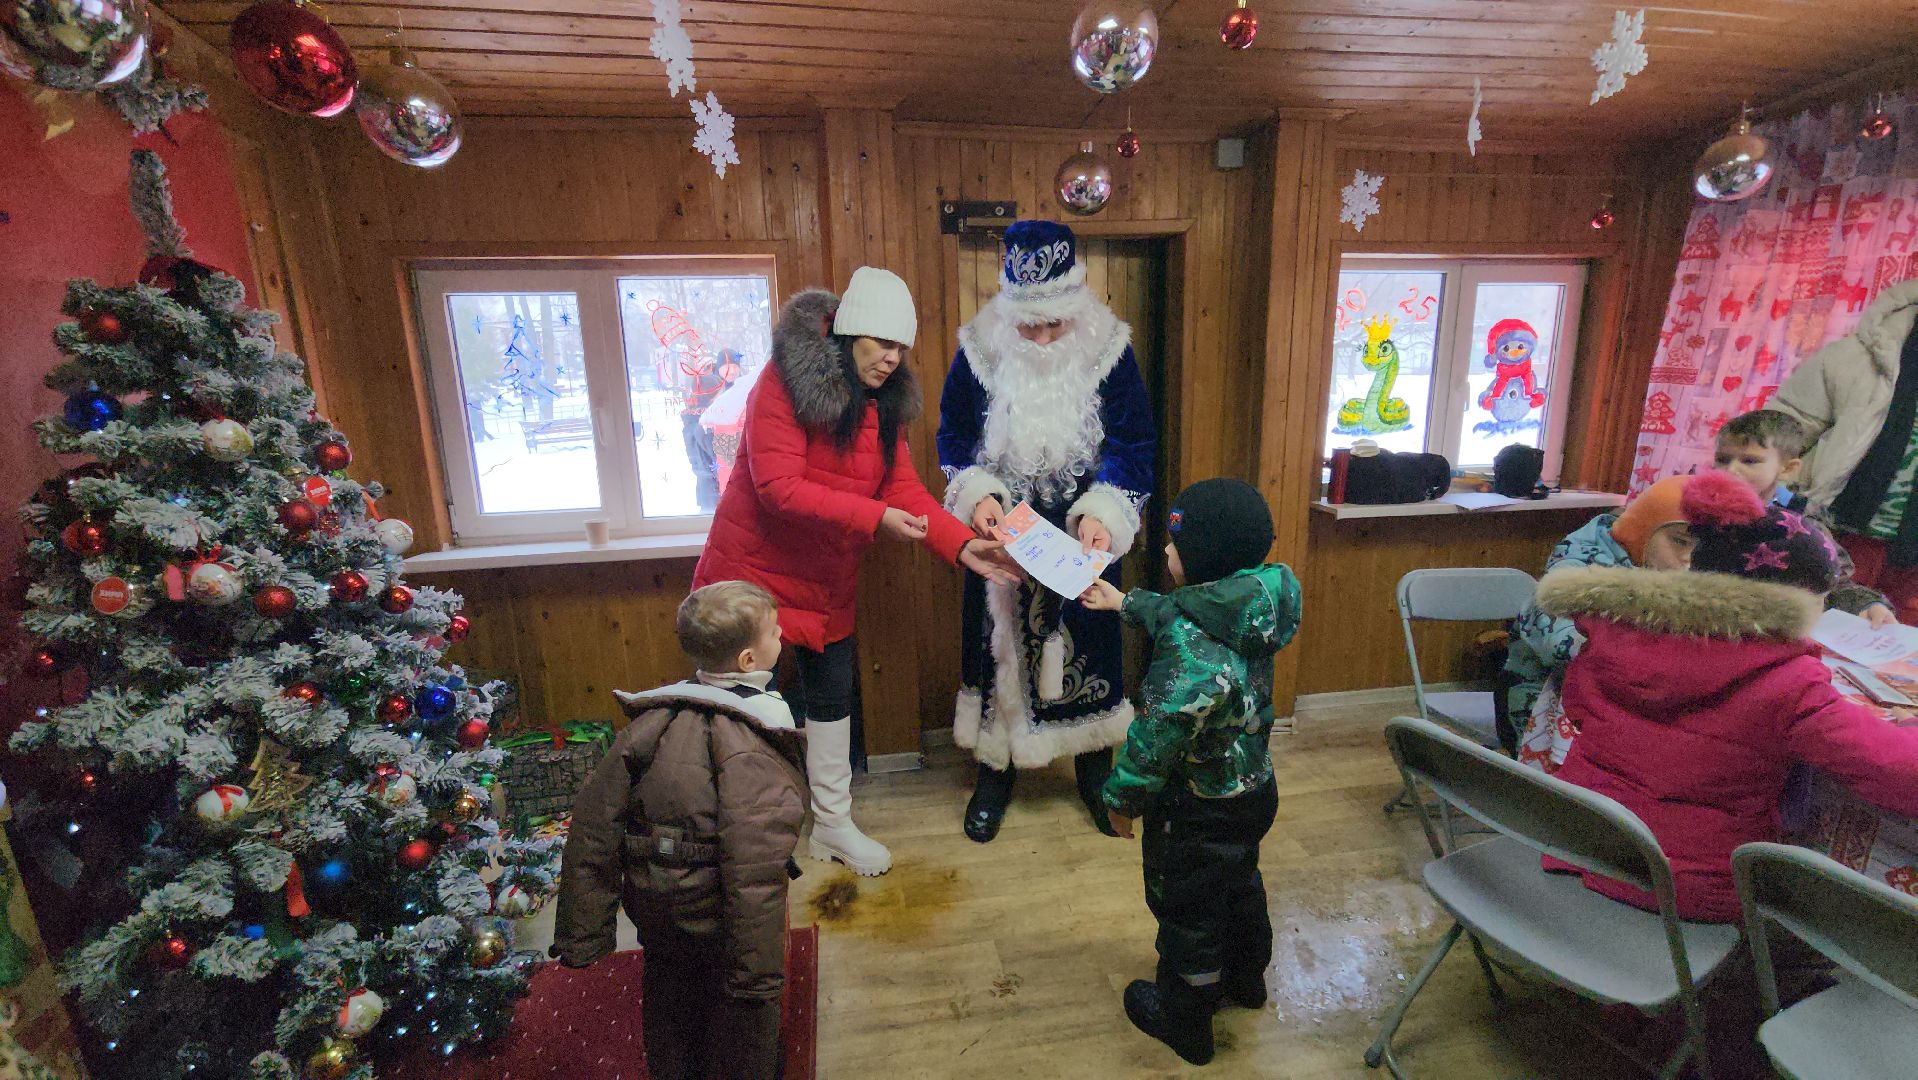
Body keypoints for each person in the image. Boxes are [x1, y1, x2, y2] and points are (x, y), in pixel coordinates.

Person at [695, 267, 1019, 877]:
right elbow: (777, 488)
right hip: (749, 575)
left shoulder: (883, 403)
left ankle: (833, 827)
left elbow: (904, 489)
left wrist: (961, 546)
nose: (892, 359)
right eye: (882, 343)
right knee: (731, 707)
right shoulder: (783, 384)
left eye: (901, 347)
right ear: (849, 334)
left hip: (824, 580)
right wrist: (876, 518)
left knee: (830, 699)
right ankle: (716, 831)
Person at [1532, 470, 1918, 922]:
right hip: (1694, 890)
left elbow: (1578, 708)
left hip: (1587, 848)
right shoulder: (1789, 680)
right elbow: (1898, 774)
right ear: (1797, 600)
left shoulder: (1610, 633)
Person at [937, 220, 1158, 843]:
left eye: (1053, 325)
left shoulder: (1110, 349)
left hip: (1082, 534)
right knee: (995, 654)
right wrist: (977, 496)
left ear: (1077, 310)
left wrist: (1104, 511)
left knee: (1091, 645)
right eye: (1027, 326)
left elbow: (1135, 442)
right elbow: (953, 438)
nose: (1038, 339)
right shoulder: (978, 350)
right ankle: (995, 776)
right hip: (1004, 539)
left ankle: (1094, 773)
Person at [1081, 479, 1301, 1066]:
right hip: (1253, 788)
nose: (1167, 555)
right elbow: (1184, 608)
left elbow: (1157, 737)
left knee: (1187, 908)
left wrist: (1122, 798)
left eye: (1176, 547)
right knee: (1238, 881)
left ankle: (1186, 1023)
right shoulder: (1255, 599)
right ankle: (1245, 981)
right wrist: (1123, 601)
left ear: (1202, 559)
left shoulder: (1191, 645)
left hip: (1197, 803)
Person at [552, 582, 806, 1080]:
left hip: (657, 903)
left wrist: (584, 931)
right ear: (752, 658)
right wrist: (759, 972)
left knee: (669, 995)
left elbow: (593, 830)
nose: (783, 635)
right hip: (720, 911)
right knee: (737, 1011)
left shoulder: (649, 724)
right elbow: (753, 866)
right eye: (777, 631)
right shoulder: (751, 738)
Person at [1505, 474, 1697, 772]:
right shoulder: (1575, 570)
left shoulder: (1665, 569)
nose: (1688, 558)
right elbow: (1566, 649)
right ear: (1643, 531)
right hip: (1535, 700)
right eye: (1679, 542)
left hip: (1620, 702)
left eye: (1699, 547)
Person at [1769, 279, 1918, 622]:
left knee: (1899, 664)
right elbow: (1781, 428)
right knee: (1822, 637)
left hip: (1911, 559)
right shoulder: (1856, 359)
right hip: (1842, 532)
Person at [1713, 409, 1894, 625]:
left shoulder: (1804, 521)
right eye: (1723, 459)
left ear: (1787, 469)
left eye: (1750, 461)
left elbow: (1836, 581)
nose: (1731, 470)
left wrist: (1867, 604)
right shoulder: (1698, 511)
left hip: (1776, 629)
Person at [682, 348, 744, 511]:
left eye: (736, 366)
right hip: (713, 489)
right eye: (728, 366)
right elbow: (718, 457)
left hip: (711, 487)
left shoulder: (701, 420)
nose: (733, 371)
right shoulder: (705, 426)